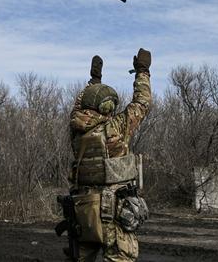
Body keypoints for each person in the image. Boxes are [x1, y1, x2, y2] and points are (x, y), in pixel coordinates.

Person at [62, 48, 152, 262]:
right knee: (120, 256)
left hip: (84, 206)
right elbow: (142, 102)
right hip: (112, 206)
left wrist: (94, 81)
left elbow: (80, 105)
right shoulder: (116, 127)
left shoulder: (77, 130)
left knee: (81, 256)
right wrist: (143, 71)